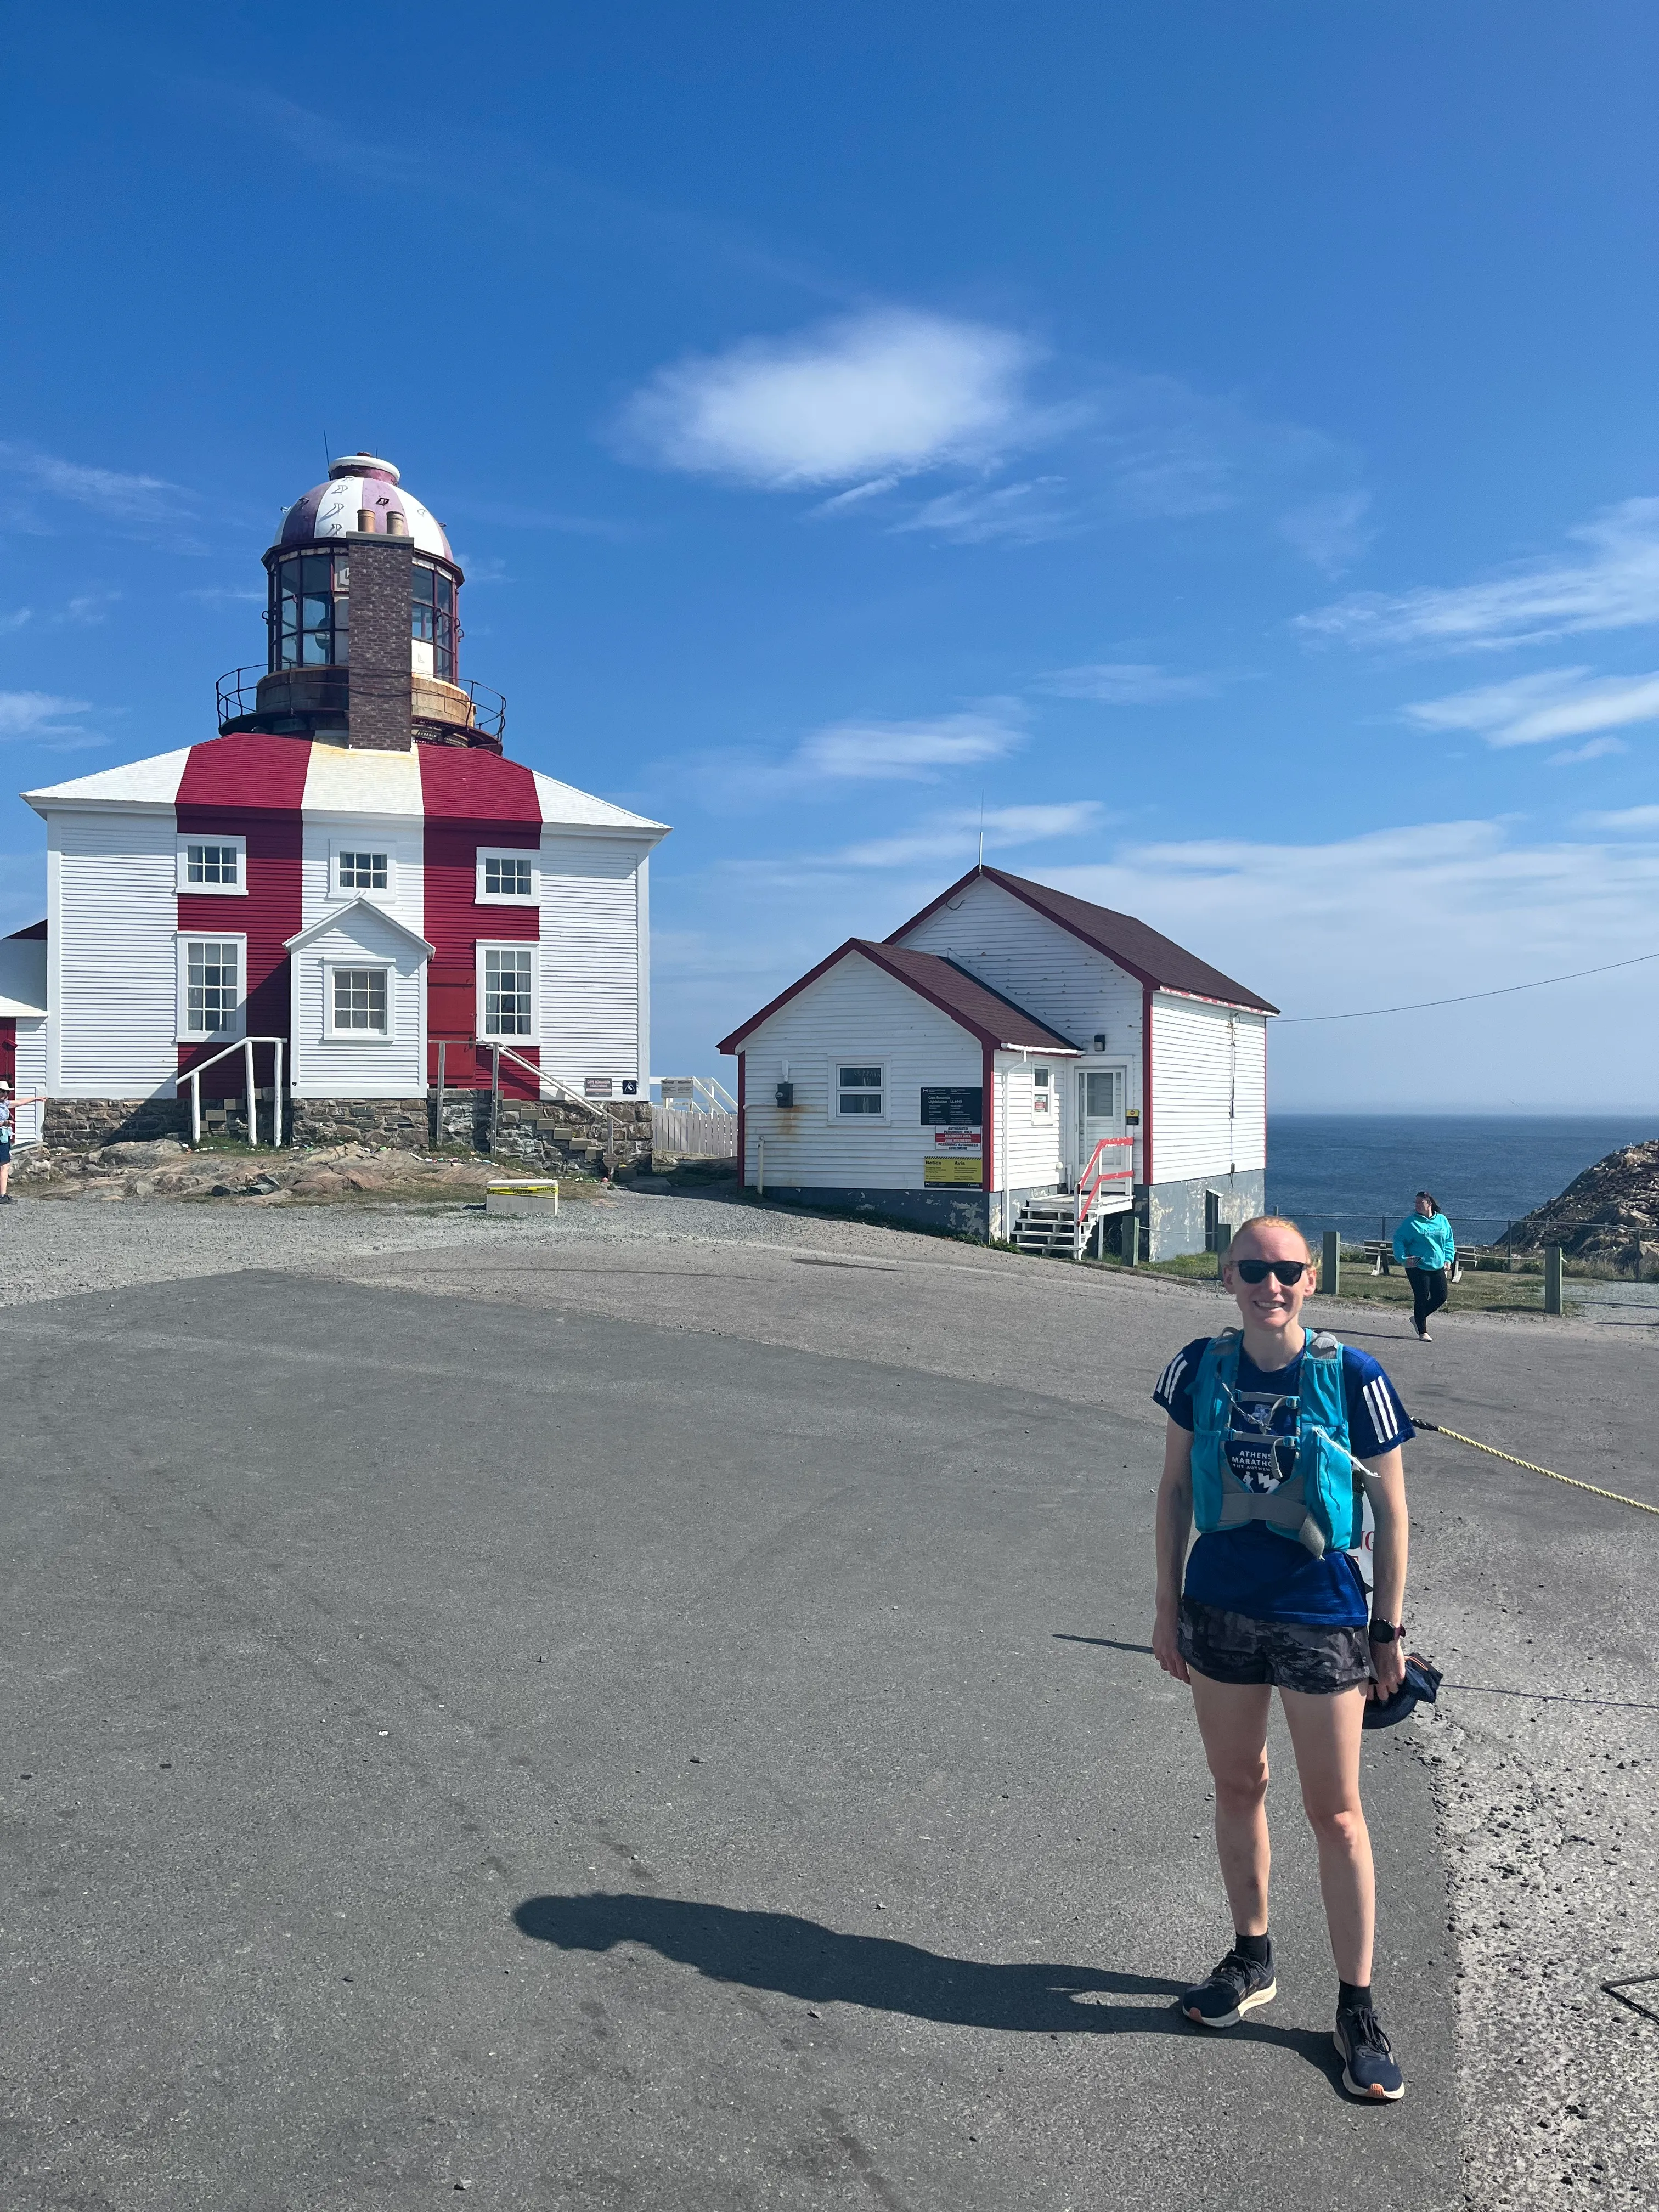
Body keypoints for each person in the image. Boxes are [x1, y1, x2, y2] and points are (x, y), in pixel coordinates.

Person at [1151, 1213, 1413, 2101]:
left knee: (1334, 1813)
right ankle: (1250, 1955)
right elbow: (1175, 1488)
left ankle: (1355, 2004)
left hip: (1321, 1612)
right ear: (1227, 1276)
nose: (1269, 1284)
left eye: (1286, 1270)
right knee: (1236, 1786)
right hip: (1219, 1605)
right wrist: (1163, 1610)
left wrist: (1387, 1629)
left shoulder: (1353, 1376)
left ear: (1309, 1280)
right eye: (1252, 1269)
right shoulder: (1197, 1367)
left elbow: (1394, 1511)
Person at [1393, 1190, 1455, 1341]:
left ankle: (1418, 1317)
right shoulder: (1411, 1223)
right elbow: (1399, 1239)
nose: (1417, 1206)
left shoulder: (1442, 1220)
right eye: (1415, 1203)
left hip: (1437, 1265)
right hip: (1417, 1266)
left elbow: (1449, 1240)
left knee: (1441, 1297)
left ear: (1430, 1204)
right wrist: (1403, 1258)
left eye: (1420, 1203)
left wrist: (1448, 1258)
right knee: (1421, 1297)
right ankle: (1423, 1332)